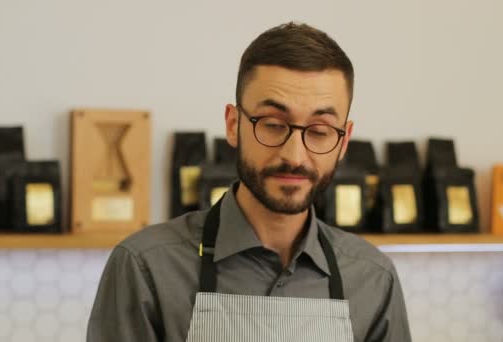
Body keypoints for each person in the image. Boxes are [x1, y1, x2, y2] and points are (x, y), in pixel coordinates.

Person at [87, 21, 412, 342]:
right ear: (233, 124)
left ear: (343, 141)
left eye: (319, 131)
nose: (294, 156)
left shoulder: (373, 279)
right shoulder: (147, 268)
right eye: (272, 124)